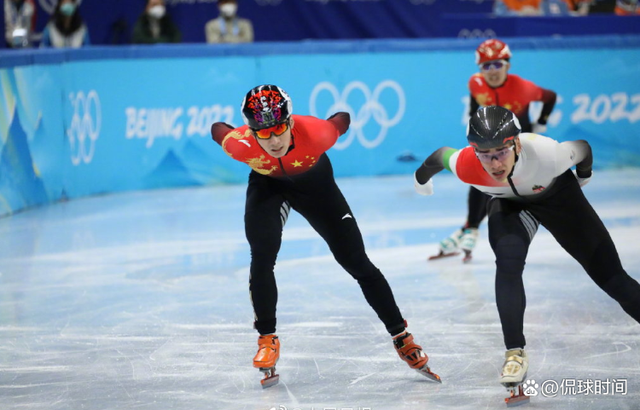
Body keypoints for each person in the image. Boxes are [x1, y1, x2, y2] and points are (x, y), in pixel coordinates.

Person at [210, 84, 440, 387]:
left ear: (290, 122)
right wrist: (238, 131)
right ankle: (267, 339)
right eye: (263, 133)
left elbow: (341, 119)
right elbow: (219, 129)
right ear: (251, 132)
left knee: (357, 262)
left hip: (315, 185)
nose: (275, 139)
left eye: (279, 128)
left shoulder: (318, 133)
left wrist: (338, 119)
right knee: (262, 254)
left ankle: (402, 336)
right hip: (268, 186)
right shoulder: (239, 144)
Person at [414, 105, 640, 404]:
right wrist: (420, 179)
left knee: (613, 280)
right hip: (509, 206)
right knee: (507, 263)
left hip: (559, 198)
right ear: (474, 150)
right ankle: (514, 353)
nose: (494, 163)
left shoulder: (548, 154)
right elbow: (438, 156)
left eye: (501, 153)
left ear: (516, 143)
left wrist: (583, 176)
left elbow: (583, 149)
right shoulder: (466, 164)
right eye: (485, 154)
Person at [433, 38, 557, 262]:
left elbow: (550, 97)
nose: (492, 71)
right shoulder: (475, 83)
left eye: (497, 64)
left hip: (518, 145)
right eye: (486, 66)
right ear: (480, 69)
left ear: (507, 65)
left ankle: (471, 226)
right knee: (478, 176)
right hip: (491, 142)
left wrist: (542, 122)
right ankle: (471, 227)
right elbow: (474, 106)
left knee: (500, 188)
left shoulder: (524, 88)